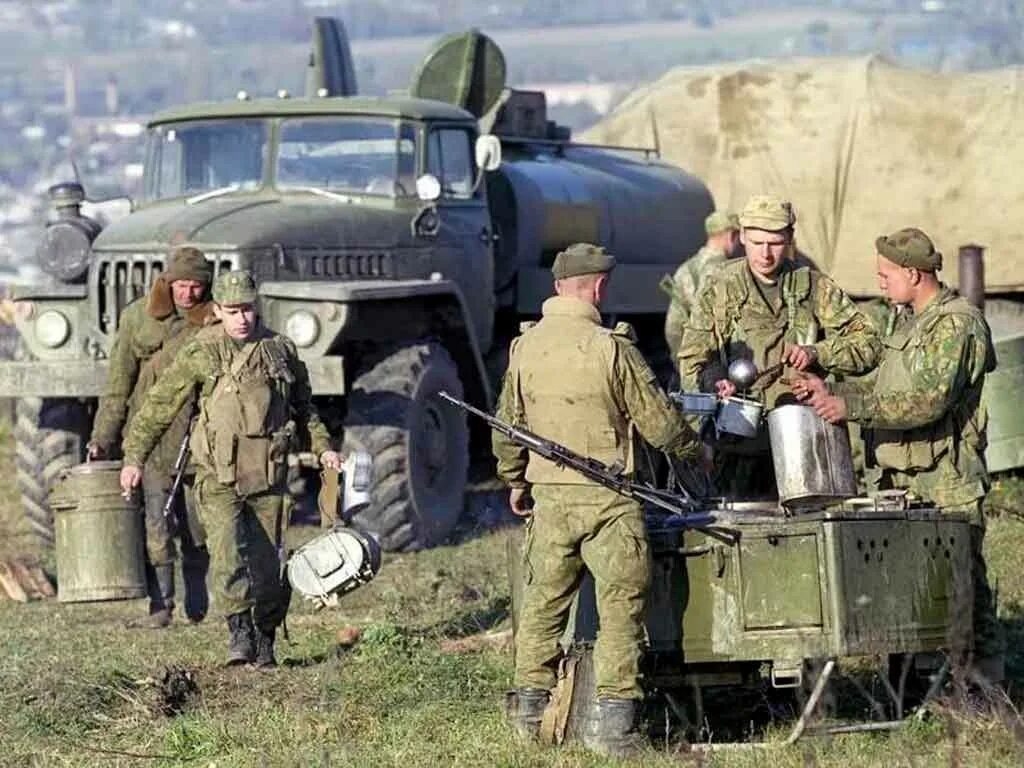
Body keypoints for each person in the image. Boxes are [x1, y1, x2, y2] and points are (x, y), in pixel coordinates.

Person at [493, 243, 700, 757]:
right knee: (620, 612)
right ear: (599, 287)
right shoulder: (612, 347)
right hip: (609, 502)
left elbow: (508, 427)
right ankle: (612, 727)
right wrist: (696, 449)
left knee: (543, 607)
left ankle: (527, 717)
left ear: (559, 287)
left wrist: (516, 480)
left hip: (550, 499)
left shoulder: (525, 348)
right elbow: (658, 423)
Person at [792, 227, 1005, 685]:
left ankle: (984, 690)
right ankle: (912, 687)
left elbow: (927, 400)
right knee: (907, 589)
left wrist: (851, 407)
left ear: (913, 273)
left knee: (964, 590)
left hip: (945, 482)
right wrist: (830, 390)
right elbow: (886, 385)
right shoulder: (909, 322)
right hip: (901, 483)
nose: (880, 281)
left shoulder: (957, 325)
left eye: (886, 274)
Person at [119, 270, 342, 668]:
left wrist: (323, 448)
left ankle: (266, 637)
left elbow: (305, 410)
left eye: (248, 310)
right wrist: (134, 458)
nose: (242, 318)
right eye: (233, 310)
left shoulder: (281, 350)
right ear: (218, 310)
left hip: (269, 477)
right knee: (226, 558)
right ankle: (238, 633)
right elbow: (159, 407)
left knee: (269, 566)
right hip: (217, 476)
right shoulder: (201, 351)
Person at [677, 194, 880, 496]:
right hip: (736, 444)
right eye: (757, 243)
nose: (766, 254)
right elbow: (692, 356)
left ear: (790, 239)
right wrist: (713, 379)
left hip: (804, 439)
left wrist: (818, 353)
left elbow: (870, 343)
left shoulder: (813, 286)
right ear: (742, 236)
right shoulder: (720, 287)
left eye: (775, 243)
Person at [88, 246, 215, 628]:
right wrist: (102, 438)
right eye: (181, 284)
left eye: (196, 286)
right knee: (156, 527)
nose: (188, 294)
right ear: (167, 281)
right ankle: (160, 607)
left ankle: (198, 598)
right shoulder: (136, 318)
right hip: (151, 438)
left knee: (198, 527)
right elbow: (117, 385)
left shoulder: (214, 320)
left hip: (198, 438)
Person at [661, 210, 740, 356]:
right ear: (731, 236)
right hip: (721, 361)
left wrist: (684, 363)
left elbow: (673, 327)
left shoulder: (685, 269)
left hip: (692, 358)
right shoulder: (729, 270)